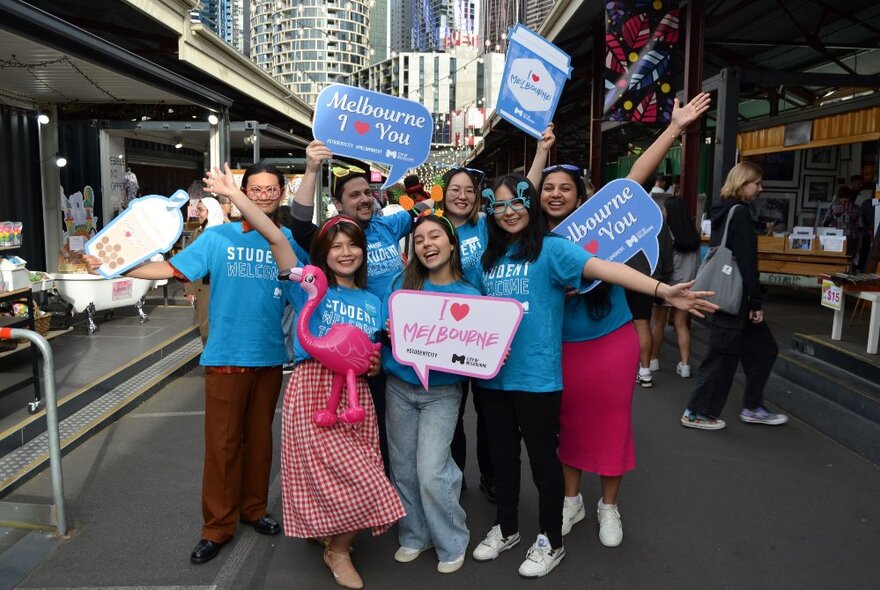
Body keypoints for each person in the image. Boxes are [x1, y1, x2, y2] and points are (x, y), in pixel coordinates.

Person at [471, 172, 717, 578]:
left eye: (516, 201)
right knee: (502, 461)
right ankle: (507, 527)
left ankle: (551, 540)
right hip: (493, 379)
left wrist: (661, 291)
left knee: (544, 464)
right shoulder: (489, 257)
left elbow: (605, 267)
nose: (508, 211)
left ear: (530, 206)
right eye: (498, 205)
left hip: (537, 378)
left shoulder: (552, 250)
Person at [84, 162, 309, 565]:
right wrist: (110, 265)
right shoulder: (216, 237)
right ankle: (218, 526)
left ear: (281, 195)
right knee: (222, 447)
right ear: (243, 192)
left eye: (269, 190)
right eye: (253, 190)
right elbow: (169, 269)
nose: (261, 196)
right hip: (225, 354)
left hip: (270, 356)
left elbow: (308, 297)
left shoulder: (287, 241)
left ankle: (254, 509)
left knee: (260, 440)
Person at [526, 92, 710, 550]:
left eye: (565, 187)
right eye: (548, 189)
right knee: (566, 425)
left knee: (610, 423)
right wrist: (541, 155)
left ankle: (609, 505)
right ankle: (572, 500)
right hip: (558, 346)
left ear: (581, 194)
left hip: (610, 339)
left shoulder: (598, 224)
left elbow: (634, 180)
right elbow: (520, 192)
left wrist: (674, 129)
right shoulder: (530, 238)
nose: (555, 194)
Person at [205, 165, 401, 590]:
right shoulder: (308, 288)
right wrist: (234, 196)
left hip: (354, 399)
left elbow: (378, 354)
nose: (345, 253)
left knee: (367, 475)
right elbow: (275, 235)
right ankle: (338, 547)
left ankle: (337, 543)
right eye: (336, 246)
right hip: (310, 390)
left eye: (353, 246)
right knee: (317, 473)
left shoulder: (374, 301)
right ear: (322, 253)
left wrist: (375, 364)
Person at [288, 140, 416, 468]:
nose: (364, 200)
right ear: (337, 203)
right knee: (368, 429)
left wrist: (405, 167)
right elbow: (300, 224)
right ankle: (365, 497)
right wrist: (313, 168)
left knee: (398, 430)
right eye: (354, 195)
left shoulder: (389, 225)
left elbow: (423, 211)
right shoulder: (335, 239)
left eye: (368, 193)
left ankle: (395, 500)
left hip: (403, 339)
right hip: (363, 349)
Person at [383, 214, 475, 574]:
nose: (426, 244)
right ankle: (415, 534)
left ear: (452, 244)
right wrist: (388, 330)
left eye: (434, 236)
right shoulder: (401, 283)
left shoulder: (470, 295)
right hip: (399, 388)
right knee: (403, 469)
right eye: (419, 239)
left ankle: (452, 539)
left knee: (431, 471)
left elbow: (477, 347)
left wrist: (492, 351)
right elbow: (382, 329)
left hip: (442, 393)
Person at [682, 161, 789, 430]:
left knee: (761, 350)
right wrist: (756, 302)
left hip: (726, 297)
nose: (760, 189)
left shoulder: (724, 211)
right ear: (743, 183)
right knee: (722, 358)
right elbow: (746, 261)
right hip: (735, 301)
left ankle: (752, 406)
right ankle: (697, 412)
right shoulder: (739, 213)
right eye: (757, 183)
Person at [437, 165, 496, 502]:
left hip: (487, 330)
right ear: (444, 193)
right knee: (452, 412)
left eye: (469, 191)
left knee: (490, 410)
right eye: (456, 189)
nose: (462, 196)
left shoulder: (486, 225)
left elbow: (524, 195)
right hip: (448, 333)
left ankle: (491, 475)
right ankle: (453, 477)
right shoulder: (432, 227)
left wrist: (543, 151)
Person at [650, 196, 702, 378]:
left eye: (665, 209)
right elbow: (698, 264)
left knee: (658, 325)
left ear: (670, 212)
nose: (663, 212)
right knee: (681, 326)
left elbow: (663, 263)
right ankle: (685, 365)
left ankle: (653, 361)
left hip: (667, 287)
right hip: (688, 287)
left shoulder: (666, 235)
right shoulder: (693, 236)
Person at [183, 197, 227, 344]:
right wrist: (189, 289)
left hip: (224, 287)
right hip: (203, 288)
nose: (198, 214)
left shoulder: (226, 232)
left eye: (201, 210)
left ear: (211, 211)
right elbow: (186, 262)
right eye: (197, 210)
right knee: (206, 327)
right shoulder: (196, 234)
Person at [822, 185, 861, 256]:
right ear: (850, 195)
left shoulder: (833, 206)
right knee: (849, 255)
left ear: (839, 195)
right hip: (851, 235)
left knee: (834, 255)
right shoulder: (856, 207)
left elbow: (826, 221)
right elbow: (859, 225)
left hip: (835, 235)